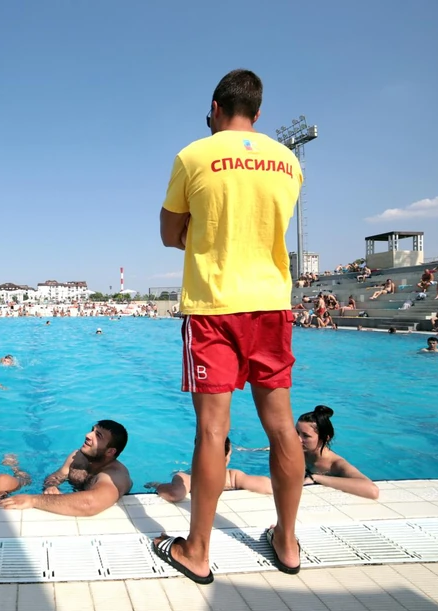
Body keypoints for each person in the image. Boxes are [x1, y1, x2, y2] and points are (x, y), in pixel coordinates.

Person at [156, 69, 305, 583]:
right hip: (271, 304)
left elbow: (169, 233)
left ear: (215, 108)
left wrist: (199, 235)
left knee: (212, 430)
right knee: (281, 426)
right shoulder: (288, 161)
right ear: (258, 113)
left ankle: (197, 551)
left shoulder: (194, 155)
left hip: (214, 305)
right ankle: (287, 543)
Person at [0, 421, 132, 516]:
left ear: (110, 451)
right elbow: (56, 476)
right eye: (92, 430)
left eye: (98, 436)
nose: (88, 435)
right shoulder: (78, 457)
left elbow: (89, 504)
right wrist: (51, 486)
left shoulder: (115, 476)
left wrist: (33, 500)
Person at [146, 437, 272, 502]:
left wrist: (157, 485)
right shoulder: (233, 477)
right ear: (227, 459)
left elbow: (175, 494)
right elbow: (268, 486)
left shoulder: (187, 478)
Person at [297, 406, 378, 499]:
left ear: (325, 438)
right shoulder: (300, 453)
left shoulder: (335, 464)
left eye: (306, 436)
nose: (298, 439)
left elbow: (372, 490)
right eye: (297, 433)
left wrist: (315, 478)